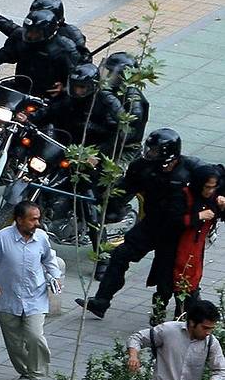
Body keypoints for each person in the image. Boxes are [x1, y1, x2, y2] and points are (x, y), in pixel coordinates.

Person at [76, 128, 203, 322]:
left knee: (171, 274)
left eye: (154, 151)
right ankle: (101, 301)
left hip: (178, 230)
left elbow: (215, 180)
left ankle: (183, 313)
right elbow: (124, 187)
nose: (149, 153)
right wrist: (105, 198)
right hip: (151, 224)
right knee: (120, 255)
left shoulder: (192, 169)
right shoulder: (142, 167)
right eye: (149, 149)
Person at [0, 201, 64, 380]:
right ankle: (25, 371)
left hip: (36, 298)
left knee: (35, 336)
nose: (37, 223)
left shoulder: (41, 238)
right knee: (14, 342)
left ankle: (36, 377)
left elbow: (49, 260)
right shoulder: (1, 238)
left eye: (38, 219)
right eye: (33, 220)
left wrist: (55, 277)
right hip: (7, 299)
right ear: (19, 220)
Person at [0, 8, 80, 98]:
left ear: (48, 33)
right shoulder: (21, 39)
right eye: (28, 31)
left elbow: (77, 74)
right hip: (21, 88)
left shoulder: (65, 49)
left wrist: (65, 87)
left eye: (35, 33)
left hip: (49, 95)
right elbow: (1, 55)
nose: (30, 36)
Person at [173, 165, 225, 317]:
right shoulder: (183, 196)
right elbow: (173, 220)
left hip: (196, 246)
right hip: (179, 245)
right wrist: (198, 216)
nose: (210, 191)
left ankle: (185, 312)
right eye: (207, 187)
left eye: (213, 187)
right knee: (178, 279)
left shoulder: (213, 198)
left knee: (192, 277)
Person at [0, 0, 90, 61]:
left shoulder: (71, 37)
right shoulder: (30, 34)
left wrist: (66, 87)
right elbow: (16, 32)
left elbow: (81, 64)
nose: (31, 35)